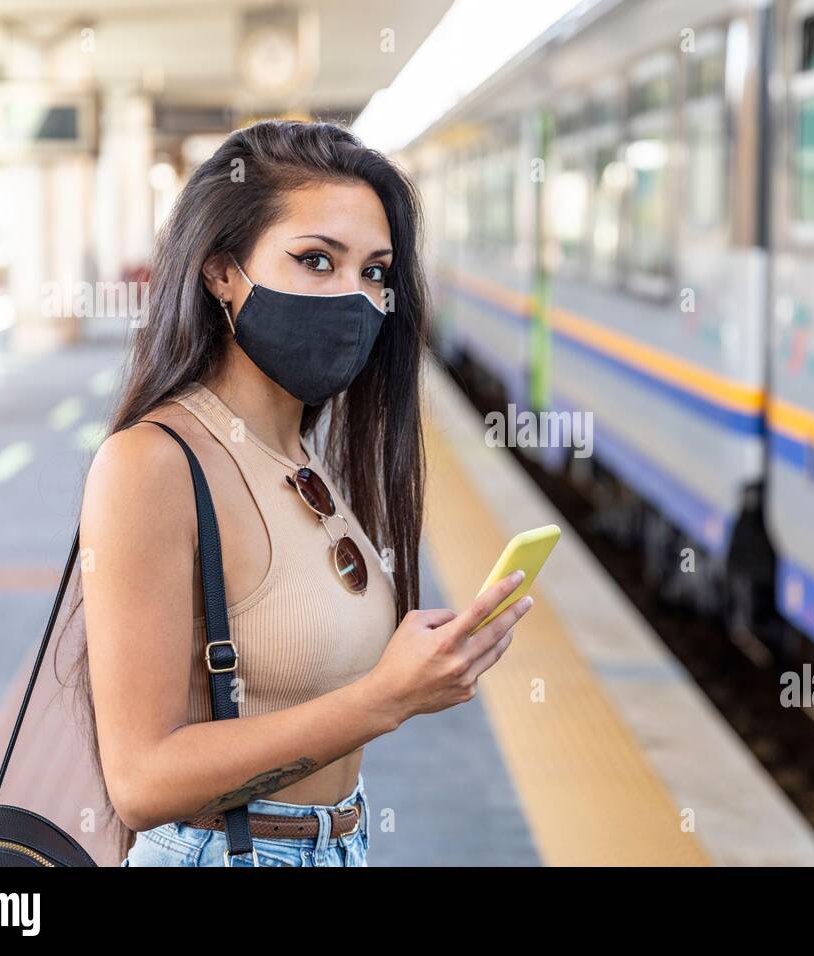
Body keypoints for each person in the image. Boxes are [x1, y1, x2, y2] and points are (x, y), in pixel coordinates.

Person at [72, 119, 532, 866]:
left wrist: (425, 662)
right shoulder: (152, 464)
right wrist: (386, 697)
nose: (353, 297)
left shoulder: (301, 450)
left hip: (334, 842)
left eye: (376, 272)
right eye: (316, 260)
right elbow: (141, 781)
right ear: (222, 271)